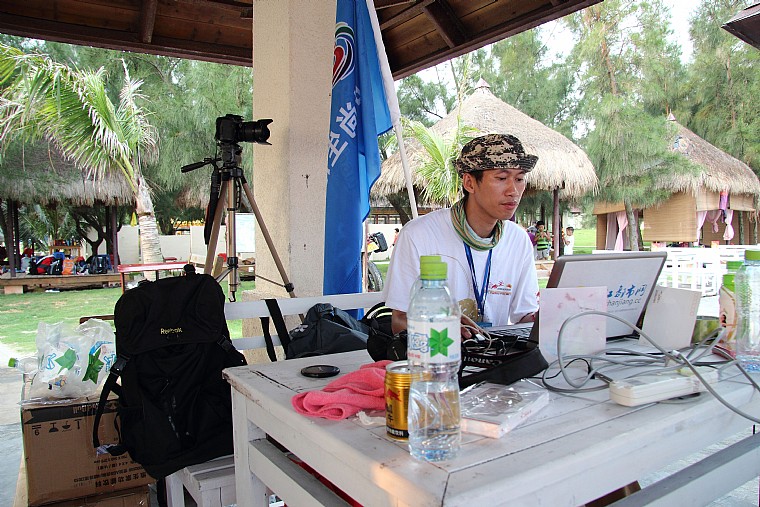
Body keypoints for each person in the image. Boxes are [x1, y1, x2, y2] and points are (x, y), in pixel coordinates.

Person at [383, 133, 540, 335]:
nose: (514, 191)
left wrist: (546, 317)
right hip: (439, 352)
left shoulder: (518, 240)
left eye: (519, 179)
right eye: (501, 178)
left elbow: (525, 317)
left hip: (498, 351)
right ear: (469, 183)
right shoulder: (418, 235)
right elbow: (399, 321)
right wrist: (441, 328)